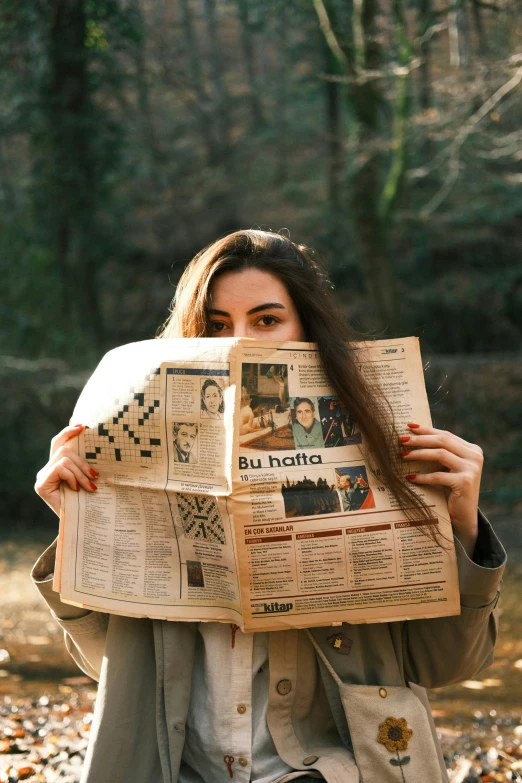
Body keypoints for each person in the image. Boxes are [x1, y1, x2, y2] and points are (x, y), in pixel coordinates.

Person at [33, 229, 505, 783]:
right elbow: (105, 666)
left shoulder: (387, 444)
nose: (240, 342)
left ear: (306, 326)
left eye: (266, 320)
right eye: (216, 325)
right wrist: (81, 525)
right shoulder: (140, 447)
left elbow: (446, 664)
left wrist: (464, 528)